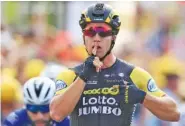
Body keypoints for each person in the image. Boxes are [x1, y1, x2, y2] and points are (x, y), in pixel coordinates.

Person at [50, 3, 180, 126]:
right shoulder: (69, 75)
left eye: (102, 32)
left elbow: (174, 113)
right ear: (84, 36)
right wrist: (84, 76)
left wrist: (142, 97)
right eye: (90, 32)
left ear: (114, 37)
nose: (96, 37)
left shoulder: (134, 74)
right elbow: (56, 114)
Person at [3, 77, 70, 126]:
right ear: (25, 107)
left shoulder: (67, 121)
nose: (39, 116)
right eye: (33, 108)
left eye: (45, 108)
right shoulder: (13, 121)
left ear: (54, 106)